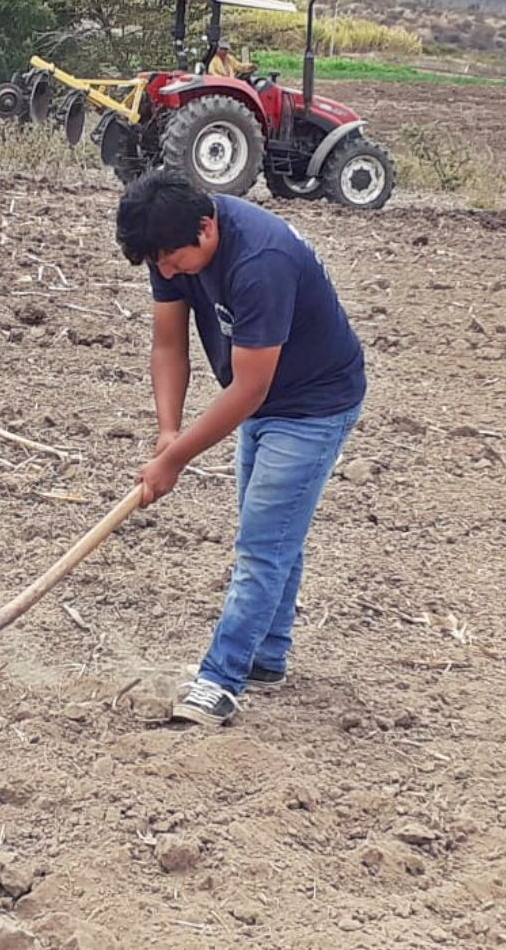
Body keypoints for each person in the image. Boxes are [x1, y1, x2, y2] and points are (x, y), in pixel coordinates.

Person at [115, 171, 366, 727]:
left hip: (312, 402)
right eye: (156, 263)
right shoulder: (172, 243)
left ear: (207, 229)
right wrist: (167, 431)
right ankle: (265, 657)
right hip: (262, 395)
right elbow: (167, 344)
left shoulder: (260, 261)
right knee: (275, 534)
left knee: (262, 546)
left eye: (173, 260)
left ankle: (221, 679)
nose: (165, 273)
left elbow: (250, 389)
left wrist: (175, 462)